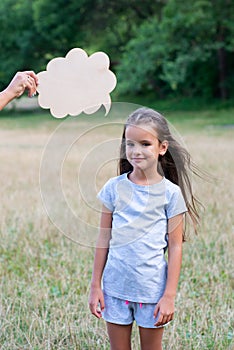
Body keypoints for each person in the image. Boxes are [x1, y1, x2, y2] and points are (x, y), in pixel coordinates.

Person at [89, 107, 201, 350]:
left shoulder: (171, 194)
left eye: (145, 144)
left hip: (152, 293)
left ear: (162, 147)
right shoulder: (113, 188)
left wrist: (169, 296)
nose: (136, 151)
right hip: (115, 290)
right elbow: (103, 239)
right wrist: (96, 286)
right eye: (130, 144)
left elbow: (175, 246)